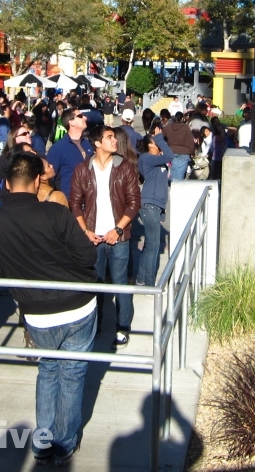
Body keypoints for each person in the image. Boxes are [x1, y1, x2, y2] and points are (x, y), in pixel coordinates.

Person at [0, 152, 98, 466]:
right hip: (78, 305)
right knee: (71, 375)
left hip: (36, 312)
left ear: (5, 182)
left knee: (48, 369)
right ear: (39, 179)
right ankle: (63, 443)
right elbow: (88, 257)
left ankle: (44, 440)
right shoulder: (55, 214)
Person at [68, 125, 140, 347]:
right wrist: (86, 231)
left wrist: (117, 229)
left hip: (118, 237)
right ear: (97, 143)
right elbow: (75, 204)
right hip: (94, 238)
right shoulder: (82, 170)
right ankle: (95, 325)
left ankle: (122, 326)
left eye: (114, 137)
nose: (115, 141)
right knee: (95, 283)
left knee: (120, 284)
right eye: (109, 137)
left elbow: (134, 203)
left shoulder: (124, 167)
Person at [133, 130, 173, 286]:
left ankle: (141, 279)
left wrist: (162, 211)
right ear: (151, 145)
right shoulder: (146, 158)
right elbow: (170, 156)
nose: (161, 144)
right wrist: (159, 138)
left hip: (156, 207)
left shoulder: (156, 160)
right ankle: (150, 284)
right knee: (153, 247)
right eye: (157, 142)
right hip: (149, 206)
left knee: (150, 245)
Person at [46, 109, 93, 198]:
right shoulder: (58, 149)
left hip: (89, 202)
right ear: (71, 122)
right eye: (80, 116)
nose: (85, 118)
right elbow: (49, 180)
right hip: (68, 204)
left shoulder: (87, 144)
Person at [162, 111, 195, 182]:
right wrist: (192, 152)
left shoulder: (167, 127)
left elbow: (161, 137)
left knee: (173, 170)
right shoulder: (186, 128)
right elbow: (191, 141)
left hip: (171, 151)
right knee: (181, 173)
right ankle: (178, 187)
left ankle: (173, 186)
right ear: (182, 118)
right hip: (184, 152)